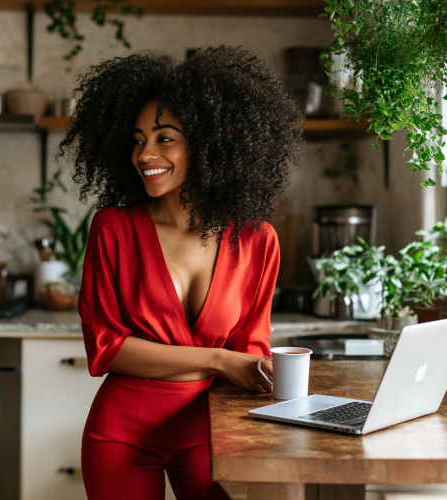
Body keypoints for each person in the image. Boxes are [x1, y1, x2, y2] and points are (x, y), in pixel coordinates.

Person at [59, 45, 303, 500]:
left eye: (164, 137)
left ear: (209, 145)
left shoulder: (257, 240)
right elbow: (107, 349)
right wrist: (219, 359)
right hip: (120, 433)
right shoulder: (113, 228)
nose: (144, 153)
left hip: (212, 430)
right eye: (137, 139)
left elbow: (250, 351)